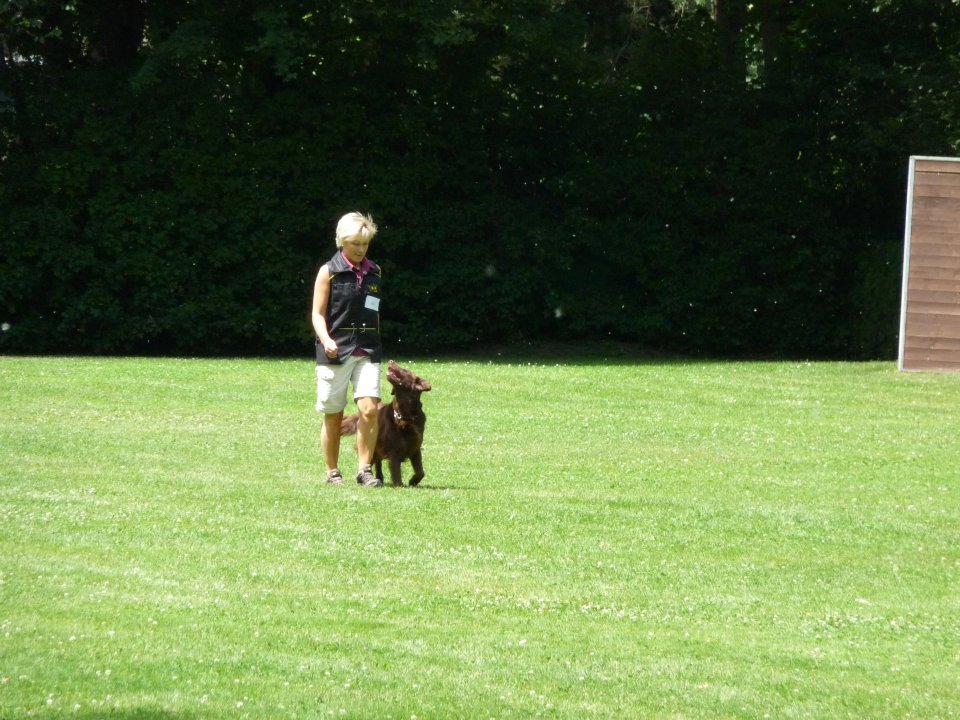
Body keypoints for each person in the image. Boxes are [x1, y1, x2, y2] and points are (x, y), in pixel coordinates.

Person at [311, 212, 383, 487]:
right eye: (355, 244)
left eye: (365, 244)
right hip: (335, 352)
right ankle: (332, 472)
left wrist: (376, 342)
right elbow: (317, 314)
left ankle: (365, 470)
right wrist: (326, 339)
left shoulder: (375, 272)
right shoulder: (329, 271)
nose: (361, 249)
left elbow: (374, 311)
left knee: (369, 409)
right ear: (342, 241)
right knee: (334, 414)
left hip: (367, 351)